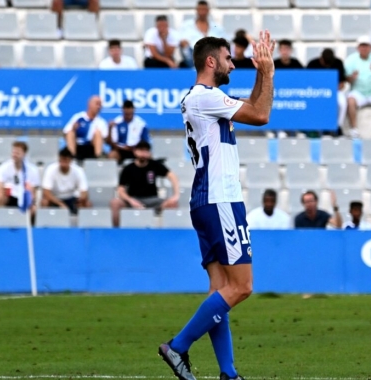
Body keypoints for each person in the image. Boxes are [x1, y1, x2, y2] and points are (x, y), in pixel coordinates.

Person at [157, 32, 275, 380]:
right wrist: (267, 72)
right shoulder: (204, 97)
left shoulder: (206, 99)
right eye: (227, 58)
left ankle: (229, 373)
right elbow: (261, 113)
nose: (232, 64)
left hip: (207, 198)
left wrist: (261, 75)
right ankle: (176, 347)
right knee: (242, 287)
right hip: (219, 198)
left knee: (219, 291)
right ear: (211, 62)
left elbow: (252, 105)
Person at [110, 141, 179, 227]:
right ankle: (117, 232)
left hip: (153, 200)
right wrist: (131, 200)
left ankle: (170, 235)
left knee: (173, 204)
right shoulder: (128, 168)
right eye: (141, 150)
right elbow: (121, 190)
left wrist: (176, 195)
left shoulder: (155, 165)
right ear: (135, 151)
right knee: (115, 203)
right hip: (133, 199)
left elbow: (173, 176)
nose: (143, 153)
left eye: (146, 150)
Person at [308, 48, 348, 134]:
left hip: (335, 90)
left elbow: (342, 83)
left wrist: (332, 89)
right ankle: (313, 127)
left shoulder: (338, 63)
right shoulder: (312, 64)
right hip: (314, 91)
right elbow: (306, 80)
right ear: (321, 59)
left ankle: (338, 126)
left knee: (342, 103)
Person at [41, 148, 91, 213]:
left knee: (87, 203)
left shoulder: (78, 171)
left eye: (66, 160)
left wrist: (81, 199)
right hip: (55, 198)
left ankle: (83, 221)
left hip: (71, 197)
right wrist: (60, 204)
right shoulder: (51, 169)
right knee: (44, 202)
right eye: (62, 160)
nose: (63, 163)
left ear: (70, 161)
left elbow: (84, 191)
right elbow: (46, 192)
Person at [178, 0, 225, 68]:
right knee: (186, 49)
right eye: (200, 9)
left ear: (208, 11)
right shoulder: (186, 26)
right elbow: (181, 42)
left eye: (204, 9)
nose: (202, 12)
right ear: (196, 10)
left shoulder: (217, 28)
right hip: (193, 55)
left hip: (212, 54)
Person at [0, 142, 40, 210]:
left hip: (24, 196)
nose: (15, 155)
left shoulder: (32, 170)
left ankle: (29, 219)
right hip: (9, 196)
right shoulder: (3, 168)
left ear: (24, 154)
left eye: (18, 153)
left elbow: (34, 191)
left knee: (33, 207)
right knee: (0, 197)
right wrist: (1, 193)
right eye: (13, 152)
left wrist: (31, 199)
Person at [63, 95, 108, 160]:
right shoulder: (78, 117)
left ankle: (98, 159)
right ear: (89, 104)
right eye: (97, 104)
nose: (99, 107)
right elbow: (65, 132)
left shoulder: (101, 122)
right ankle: (72, 158)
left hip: (91, 147)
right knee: (70, 132)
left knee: (98, 133)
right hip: (77, 146)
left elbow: (104, 138)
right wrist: (73, 128)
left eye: (100, 105)